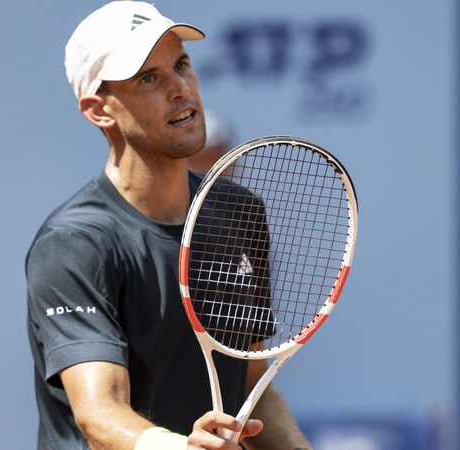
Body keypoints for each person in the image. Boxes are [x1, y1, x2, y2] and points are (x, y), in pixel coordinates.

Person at [25, 2, 312, 449]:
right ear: (99, 111)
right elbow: (99, 411)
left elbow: (251, 388)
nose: (180, 89)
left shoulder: (239, 212)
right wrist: (180, 447)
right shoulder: (74, 245)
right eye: (149, 78)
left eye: (181, 65)